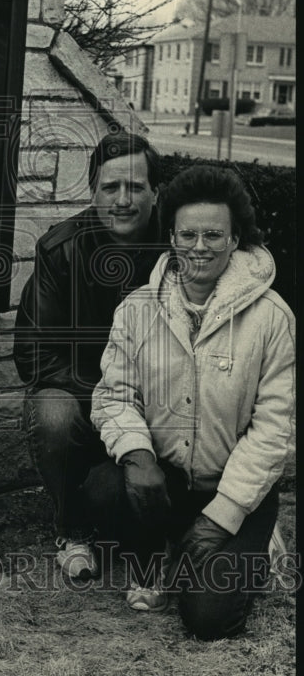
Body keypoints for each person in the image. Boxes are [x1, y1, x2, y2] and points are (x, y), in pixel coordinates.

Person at [89, 165, 295, 639]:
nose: (198, 247)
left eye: (212, 235)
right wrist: (139, 456)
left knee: (208, 621)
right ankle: (162, 550)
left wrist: (222, 516)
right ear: (171, 237)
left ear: (235, 238)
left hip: (236, 490)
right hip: (166, 481)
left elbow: (274, 431)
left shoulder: (272, 319)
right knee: (102, 487)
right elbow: (114, 394)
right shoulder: (138, 308)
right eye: (187, 234)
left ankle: (254, 546)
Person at [13, 130, 163, 578]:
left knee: (112, 496)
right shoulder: (61, 249)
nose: (122, 199)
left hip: (160, 403)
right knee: (50, 411)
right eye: (109, 187)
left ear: (157, 192)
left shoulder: (181, 245)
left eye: (135, 187)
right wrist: (108, 400)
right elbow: (34, 357)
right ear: (92, 190)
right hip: (83, 396)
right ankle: (71, 530)